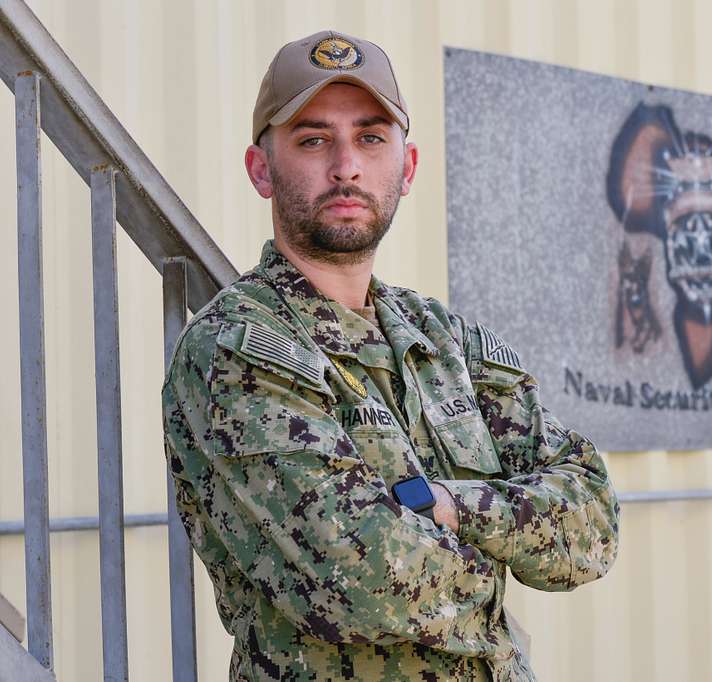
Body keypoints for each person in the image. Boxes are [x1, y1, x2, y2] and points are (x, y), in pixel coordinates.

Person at [162, 29, 620, 682]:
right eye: (313, 139)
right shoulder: (236, 353)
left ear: (406, 167)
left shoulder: (446, 340)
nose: (346, 165)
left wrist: (451, 509)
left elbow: (591, 526)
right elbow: (373, 581)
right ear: (261, 169)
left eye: (371, 137)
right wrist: (509, 546)